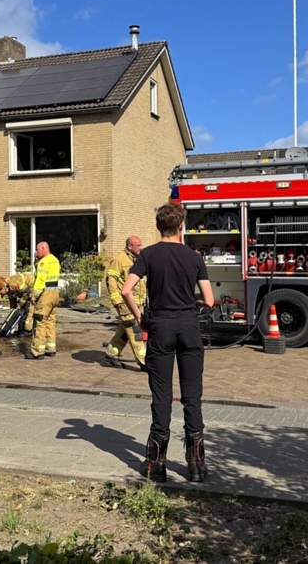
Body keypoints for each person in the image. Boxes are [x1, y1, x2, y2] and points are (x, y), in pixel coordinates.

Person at [122, 203, 214, 483]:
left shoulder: (147, 254)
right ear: (181, 227)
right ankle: (196, 464)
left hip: (160, 326)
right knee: (192, 396)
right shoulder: (194, 257)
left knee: (161, 395)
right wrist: (190, 300)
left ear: (158, 227)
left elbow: (126, 290)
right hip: (189, 326)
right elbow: (209, 300)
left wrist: (141, 319)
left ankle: (156, 463)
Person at [104, 236, 147, 370]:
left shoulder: (136, 259)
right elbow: (110, 281)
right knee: (135, 332)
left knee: (124, 331)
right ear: (129, 246)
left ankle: (111, 355)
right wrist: (117, 300)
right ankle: (144, 362)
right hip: (124, 303)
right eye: (138, 245)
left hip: (135, 303)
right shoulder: (119, 259)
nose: (140, 248)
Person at [25, 241, 60, 360]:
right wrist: (37, 262)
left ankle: (37, 351)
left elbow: (40, 280)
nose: (36, 252)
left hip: (45, 295)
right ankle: (50, 348)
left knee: (40, 322)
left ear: (44, 248)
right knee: (50, 321)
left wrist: (34, 296)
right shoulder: (55, 260)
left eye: (38, 249)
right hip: (55, 294)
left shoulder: (43, 262)